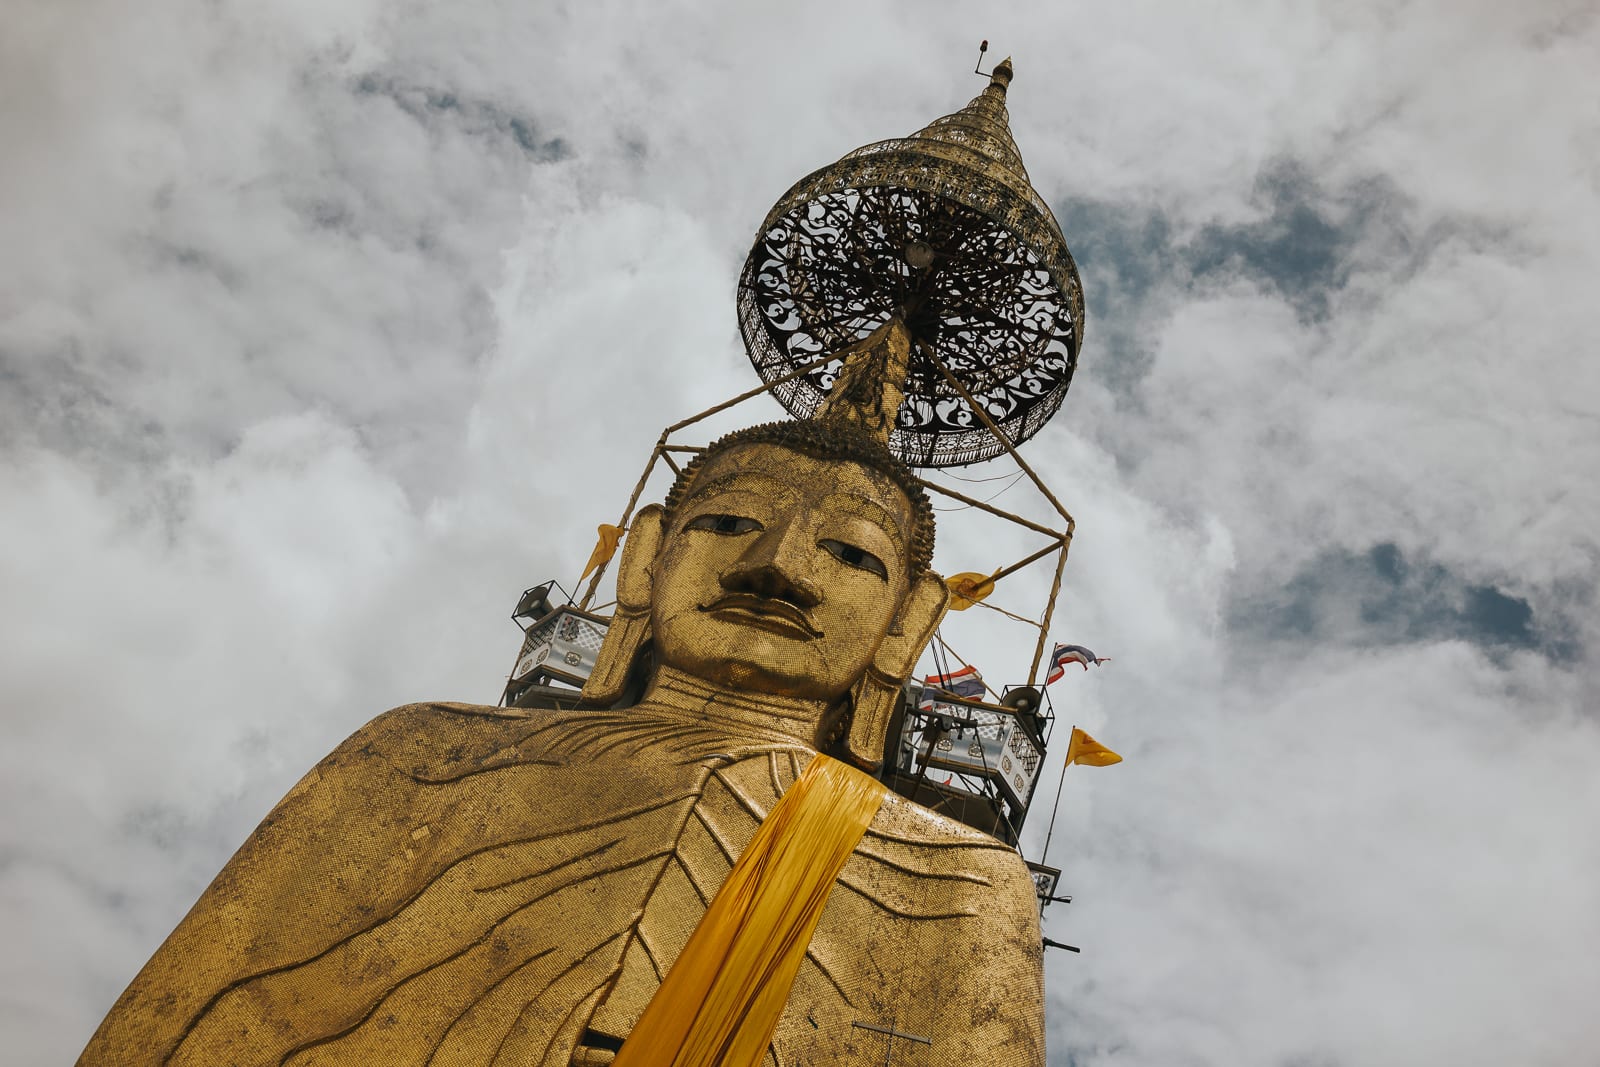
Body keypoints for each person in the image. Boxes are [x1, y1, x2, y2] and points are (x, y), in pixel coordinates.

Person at [78, 417, 1045, 1066]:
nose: (774, 567)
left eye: (848, 553)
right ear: (646, 555)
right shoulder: (420, 758)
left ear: (908, 620)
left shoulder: (956, 880)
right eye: (728, 522)